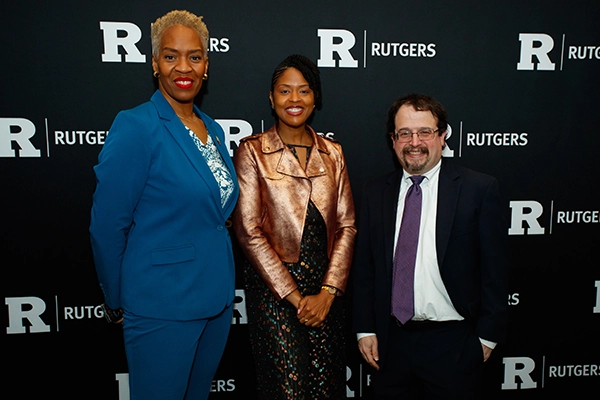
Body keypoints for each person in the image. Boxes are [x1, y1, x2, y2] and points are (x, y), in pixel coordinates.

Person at [89, 10, 239, 400]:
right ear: (154, 63)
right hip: (161, 304)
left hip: (216, 300)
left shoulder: (213, 128)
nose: (183, 67)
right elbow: (107, 225)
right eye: (171, 56)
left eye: (194, 56)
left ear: (206, 65)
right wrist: (117, 298)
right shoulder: (137, 125)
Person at [352, 93, 508, 399]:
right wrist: (365, 329)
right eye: (404, 133)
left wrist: (486, 339)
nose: (414, 142)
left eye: (424, 132)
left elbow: (496, 271)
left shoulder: (478, 189)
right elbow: (365, 268)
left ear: (443, 135)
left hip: (454, 344)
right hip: (390, 342)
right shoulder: (374, 193)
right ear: (392, 139)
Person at [233, 54, 356, 399]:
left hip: (325, 296)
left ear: (315, 98)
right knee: (288, 390)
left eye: (303, 91)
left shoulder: (333, 153)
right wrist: (296, 297)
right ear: (271, 99)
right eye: (285, 91)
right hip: (275, 296)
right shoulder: (252, 151)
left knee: (326, 388)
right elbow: (248, 230)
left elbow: (347, 226)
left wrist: (328, 293)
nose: (294, 100)